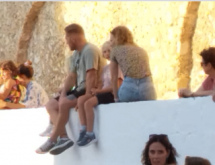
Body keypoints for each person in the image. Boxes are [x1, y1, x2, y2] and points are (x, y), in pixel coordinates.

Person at [36, 24, 105, 156]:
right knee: (51, 104)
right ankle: (63, 137)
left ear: (73, 38)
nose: (67, 43)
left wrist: (87, 96)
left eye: (67, 39)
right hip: (78, 88)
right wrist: (63, 93)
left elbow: (91, 75)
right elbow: (71, 76)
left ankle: (52, 139)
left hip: (88, 89)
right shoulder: (75, 55)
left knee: (64, 103)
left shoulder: (90, 50)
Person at [76, 41, 124, 147]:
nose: (107, 54)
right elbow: (102, 83)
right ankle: (83, 129)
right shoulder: (106, 68)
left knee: (88, 104)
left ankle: (90, 133)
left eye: (109, 51)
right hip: (103, 92)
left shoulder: (118, 67)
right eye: (105, 51)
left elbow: (117, 86)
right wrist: (95, 89)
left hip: (111, 94)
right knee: (81, 100)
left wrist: (99, 91)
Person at [110, 26, 156, 103]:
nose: (110, 42)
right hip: (147, 88)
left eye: (112, 39)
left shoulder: (115, 50)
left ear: (116, 38)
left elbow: (114, 78)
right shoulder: (141, 50)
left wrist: (116, 98)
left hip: (129, 88)